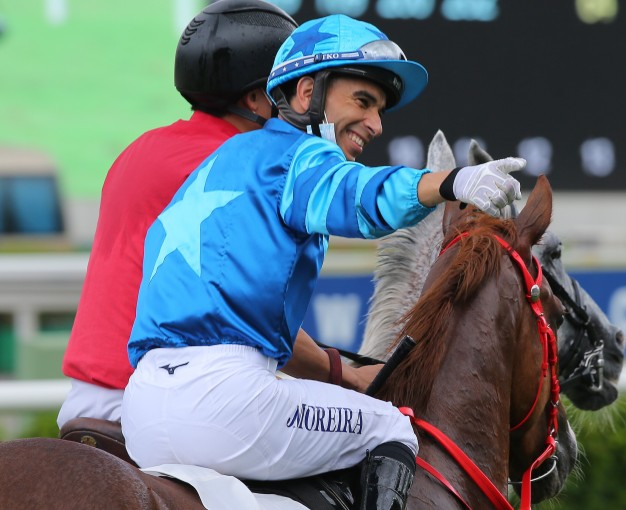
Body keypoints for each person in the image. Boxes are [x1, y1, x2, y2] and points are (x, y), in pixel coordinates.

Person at [121, 14, 525, 510]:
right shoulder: (296, 158)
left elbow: (239, 313)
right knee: (392, 429)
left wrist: (341, 373)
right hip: (223, 404)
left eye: (379, 110)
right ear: (307, 90)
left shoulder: (226, 161)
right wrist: (448, 183)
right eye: (363, 101)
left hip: (142, 408)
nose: (376, 124)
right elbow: (358, 195)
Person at [57, 0, 300, 429]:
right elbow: (257, 319)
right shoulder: (244, 167)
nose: (302, 108)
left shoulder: (140, 148)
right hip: (159, 401)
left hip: (84, 402)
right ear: (256, 98)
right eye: (292, 90)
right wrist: (343, 372)